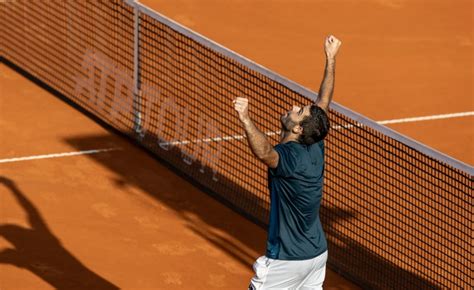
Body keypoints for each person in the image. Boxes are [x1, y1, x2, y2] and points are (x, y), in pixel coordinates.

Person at [233, 35, 342, 289]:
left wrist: (246, 119)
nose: (294, 107)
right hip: (316, 256)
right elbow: (323, 102)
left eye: (298, 112)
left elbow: (265, 154)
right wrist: (331, 58)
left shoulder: (290, 158)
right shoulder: (315, 140)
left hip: (287, 261)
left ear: (298, 130)